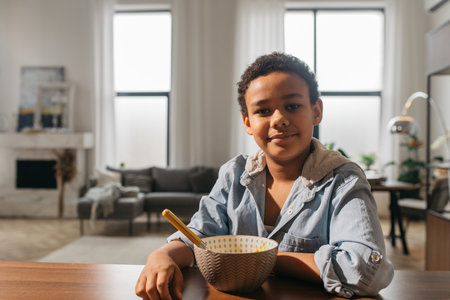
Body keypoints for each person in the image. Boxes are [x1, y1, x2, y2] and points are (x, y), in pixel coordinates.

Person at [135, 52, 394, 300]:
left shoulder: (344, 180)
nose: (279, 119)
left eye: (292, 106)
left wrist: (260, 258)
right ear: (247, 122)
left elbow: (364, 270)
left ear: (316, 111)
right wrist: (163, 255)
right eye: (263, 111)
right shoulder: (233, 174)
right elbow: (198, 238)